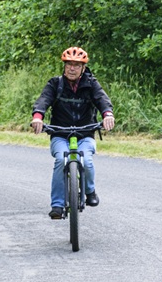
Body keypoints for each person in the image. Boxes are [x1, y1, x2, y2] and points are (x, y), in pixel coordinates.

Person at [30, 46, 115, 219]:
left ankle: (89, 190)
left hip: (85, 133)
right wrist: (38, 117)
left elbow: (102, 99)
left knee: (87, 160)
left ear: (83, 68)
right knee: (61, 160)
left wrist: (108, 115)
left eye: (77, 65)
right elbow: (43, 100)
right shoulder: (55, 84)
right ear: (64, 66)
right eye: (69, 64)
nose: (72, 68)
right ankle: (57, 205)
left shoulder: (91, 84)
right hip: (60, 134)